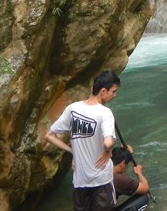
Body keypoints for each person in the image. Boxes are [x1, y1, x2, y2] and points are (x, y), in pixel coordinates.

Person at [44, 70, 121, 211]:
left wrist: (73, 151)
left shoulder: (73, 109)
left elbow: (49, 135)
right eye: (113, 91)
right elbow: (108, 142)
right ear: (103, 91)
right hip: (101, 179)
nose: (114, 95)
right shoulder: (105, 113)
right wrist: (108, 151)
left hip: (81, 180)